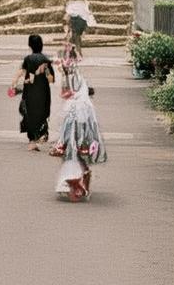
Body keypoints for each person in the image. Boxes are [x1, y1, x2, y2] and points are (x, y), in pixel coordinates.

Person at [51, 69, 107, 201]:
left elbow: (68, 124)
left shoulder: (75, 104)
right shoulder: (84, 104)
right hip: (81, 136)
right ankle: (81, 185)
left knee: (74, 158)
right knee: (81, 159)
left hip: (75, 135)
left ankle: (76, 184)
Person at [10, 34, 54, 149]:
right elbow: (51, 80)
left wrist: (14, 82)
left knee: (29, 113)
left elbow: (21, 71)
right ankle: (41, 134)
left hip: (29, 91)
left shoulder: (28, 59)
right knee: (42, 112)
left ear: (30, 45)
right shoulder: (46, 60)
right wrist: (45, 71)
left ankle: (32, 139)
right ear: (41, 45)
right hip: (43, 92)